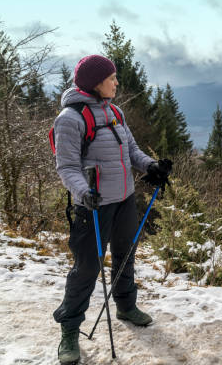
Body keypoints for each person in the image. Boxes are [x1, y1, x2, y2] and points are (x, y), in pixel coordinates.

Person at [52, 54, 172, 364]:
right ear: (95, 84)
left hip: (124, 200)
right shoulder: (70, 119)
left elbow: (131, 150)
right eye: (111, 78)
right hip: (92, 207)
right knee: (87, 269)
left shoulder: (114, 111)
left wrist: (151, 166)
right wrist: (83, 192)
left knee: (125, 255)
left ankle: (126, 306)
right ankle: (69, 330)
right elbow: (66, 166)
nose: (117, 82)